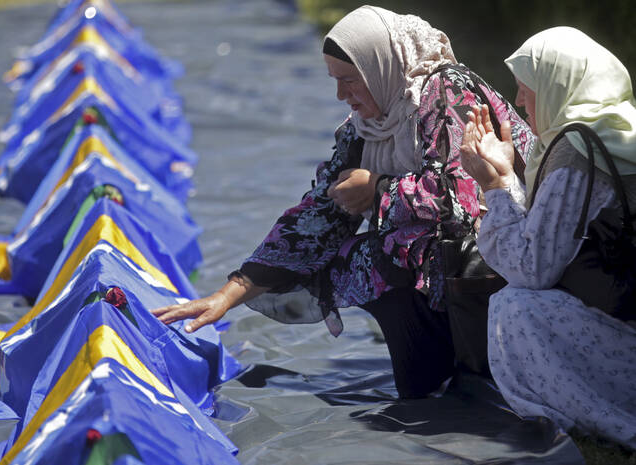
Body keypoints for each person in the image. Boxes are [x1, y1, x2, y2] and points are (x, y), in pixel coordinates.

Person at [154, 6, 534, 399]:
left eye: (350, 81)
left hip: (509, 258)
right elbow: (320, 213)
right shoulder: (366, 127)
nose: (341, 95)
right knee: (364, 257)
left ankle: (481, 367)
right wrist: (230, 292)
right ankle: (436, 375)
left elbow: (464, 197)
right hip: (446, 263)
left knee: (390, 251)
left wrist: (379, 189)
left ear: (380, 69)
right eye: (336, 81)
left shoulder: (445, 93)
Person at [460, 27, 636, 448]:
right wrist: (506, 173)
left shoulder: (577, 151)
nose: (519, 101)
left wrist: (493, 185)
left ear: (558, 87)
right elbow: (546, 241)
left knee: (514, 307)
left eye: (526, 89)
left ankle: (589, 419)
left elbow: (532, 269)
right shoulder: (618, 129)